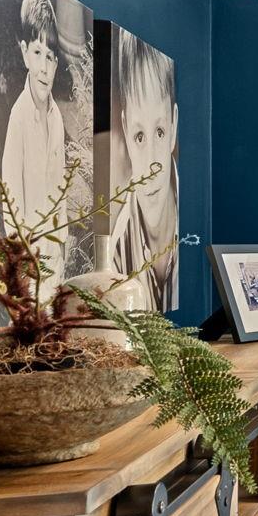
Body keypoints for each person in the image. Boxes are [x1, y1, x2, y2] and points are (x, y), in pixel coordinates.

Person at [1, 0, 69, 293]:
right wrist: (21, 257)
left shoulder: (56, 118)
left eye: (51, 56)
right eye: (38, 53)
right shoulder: (18, 117)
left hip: (56, 254)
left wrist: (63, 242)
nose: (44, 66)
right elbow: (10, 195)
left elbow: (61, 186)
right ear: (25, 53)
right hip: (29, 258)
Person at [105, 36, 178, 311]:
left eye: (159, 132)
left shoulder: (194, 217)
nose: (151, 163)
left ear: (174, 126)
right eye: (138, 136)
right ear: (125, 131)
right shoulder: (118, 254)